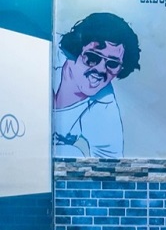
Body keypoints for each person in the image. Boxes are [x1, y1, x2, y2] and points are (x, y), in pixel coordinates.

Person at [52, 12, 141, 158]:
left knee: (71, 152)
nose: (101, 69)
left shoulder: (104, 106)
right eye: (92, 57)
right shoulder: (46, 52)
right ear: (75, 50)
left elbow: (109, 164)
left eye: (112, 64)